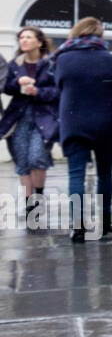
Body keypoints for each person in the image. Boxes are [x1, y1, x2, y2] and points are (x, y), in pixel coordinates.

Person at [53, 17, 112, 242]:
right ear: (99, 34)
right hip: (105, 122)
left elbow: (58, 87)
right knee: (105, 175)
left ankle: (78, 226)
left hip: (74, 122)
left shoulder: (62, 58)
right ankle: (104, 223)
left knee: (76, 175)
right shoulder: (110, 58)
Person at [0, 27, 59, 229]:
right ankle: (29, 204)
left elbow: (59, 90)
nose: (23, 41)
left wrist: (38, 92)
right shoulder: (15, 64)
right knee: (22, 162)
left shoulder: (51, 63)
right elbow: (6, 87)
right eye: (21, 38)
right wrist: (17, 82)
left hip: (44, 117)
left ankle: (39, 198)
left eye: (28, 37)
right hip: (18, 118)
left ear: (39, 42)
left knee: (37, 158)